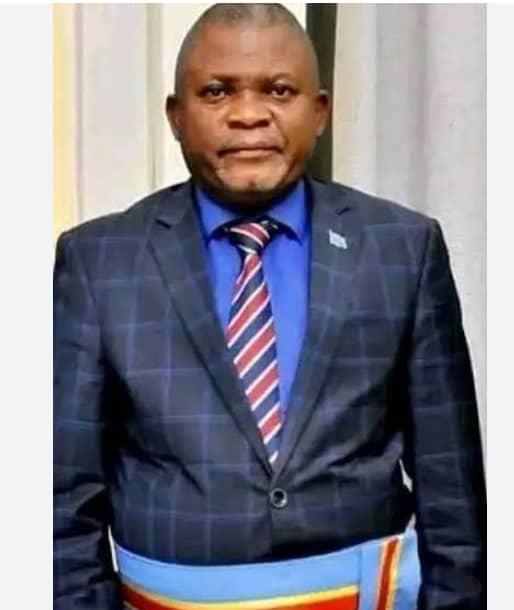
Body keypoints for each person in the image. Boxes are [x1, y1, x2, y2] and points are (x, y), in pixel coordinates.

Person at [53, 4, 486, 610]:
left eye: (279, 91)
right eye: (217, 91)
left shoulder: (402, 249)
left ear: (321, 111)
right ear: (176, 116)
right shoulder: (99, 261)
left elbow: (453, 497)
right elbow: (62, 503)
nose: (249, 114)